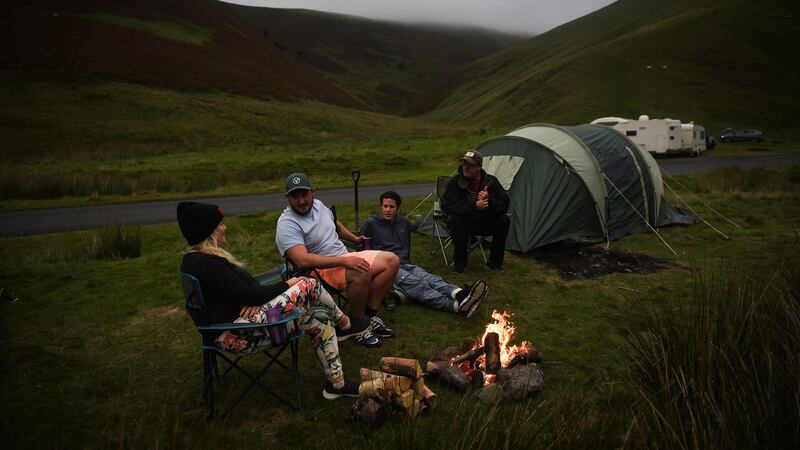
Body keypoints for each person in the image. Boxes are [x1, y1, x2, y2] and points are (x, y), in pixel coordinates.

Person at [177, 201, 359, 400]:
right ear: (208, 231)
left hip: (244, 323)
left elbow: (245, 291)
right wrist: (287, 284)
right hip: (238, 335)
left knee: (319, 318)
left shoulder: (196, 260)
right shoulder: (207, 264)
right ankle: (346, 323)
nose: (225, 227)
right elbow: (248, 293)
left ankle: (337, 384)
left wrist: (249, 298)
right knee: (308, 284)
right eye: (220, 224)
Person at [275, 173, 399, 348]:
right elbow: (302, 260)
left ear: (313, 192)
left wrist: (355, 240)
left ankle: (367, 318)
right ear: (287, 198)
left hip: (343, 258)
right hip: (317, 272)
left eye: (304, 195)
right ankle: (355, 326)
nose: (301, 201)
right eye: (295, 197)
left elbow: (335, 224)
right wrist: (343, 262)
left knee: (392, 261)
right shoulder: (287, 224)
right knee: (360, 271)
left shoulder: (318, 205)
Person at [360, 191, 488, 318]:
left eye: (391, 207)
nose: (388, 210)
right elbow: (362, 251)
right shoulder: (370, 224)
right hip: (386, 267)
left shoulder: (404, 222)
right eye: (385, 206)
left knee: (431, 279)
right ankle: (454, 306)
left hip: (405, 263)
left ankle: (461, 294)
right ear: (380, 206)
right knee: (417, 284)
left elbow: (406, 245)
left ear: (398, 208)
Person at [441, 150, 510, 273]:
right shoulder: (455, 182)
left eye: (470, 165)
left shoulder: (491, 182)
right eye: (464, 164)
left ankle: (494, 263)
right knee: (456, 221)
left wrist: (489, 201)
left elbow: (504, 206)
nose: (466, 167)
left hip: (484, 222)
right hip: (463, 225)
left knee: (504, 220)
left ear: (479, 166)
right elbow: (447, 206)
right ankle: (460, 264)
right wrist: (474, 205)